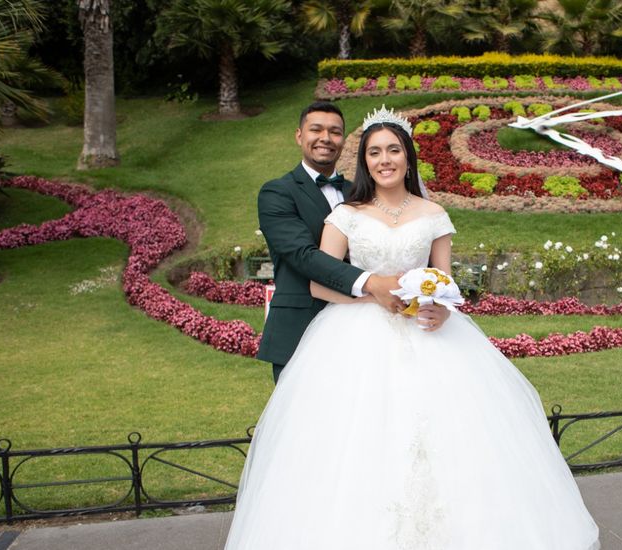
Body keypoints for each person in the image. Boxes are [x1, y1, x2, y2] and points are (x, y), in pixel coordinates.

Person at [225, 107, 600, 550]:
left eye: (393, 150)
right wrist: (376, 291)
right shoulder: (333, 208)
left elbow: (446, 284)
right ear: (360, 158)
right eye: (375, 152)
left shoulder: (433, 213)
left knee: (450, 439)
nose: (384, 160)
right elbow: (315, 273)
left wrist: (443, 309)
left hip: (430, 337)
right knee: (344, 442)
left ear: (408, 157)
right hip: (351, 337)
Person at [256, 101, 448, 383]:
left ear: (344, 140)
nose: (325, 138)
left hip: (384, 326)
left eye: (334, 132)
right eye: (316, 129)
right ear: (299, 135)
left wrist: (440, 307)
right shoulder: (277, 193)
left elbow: (435, 272)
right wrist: (374, 285)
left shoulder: (360, 195)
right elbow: (304, 256)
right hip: (304, 327)